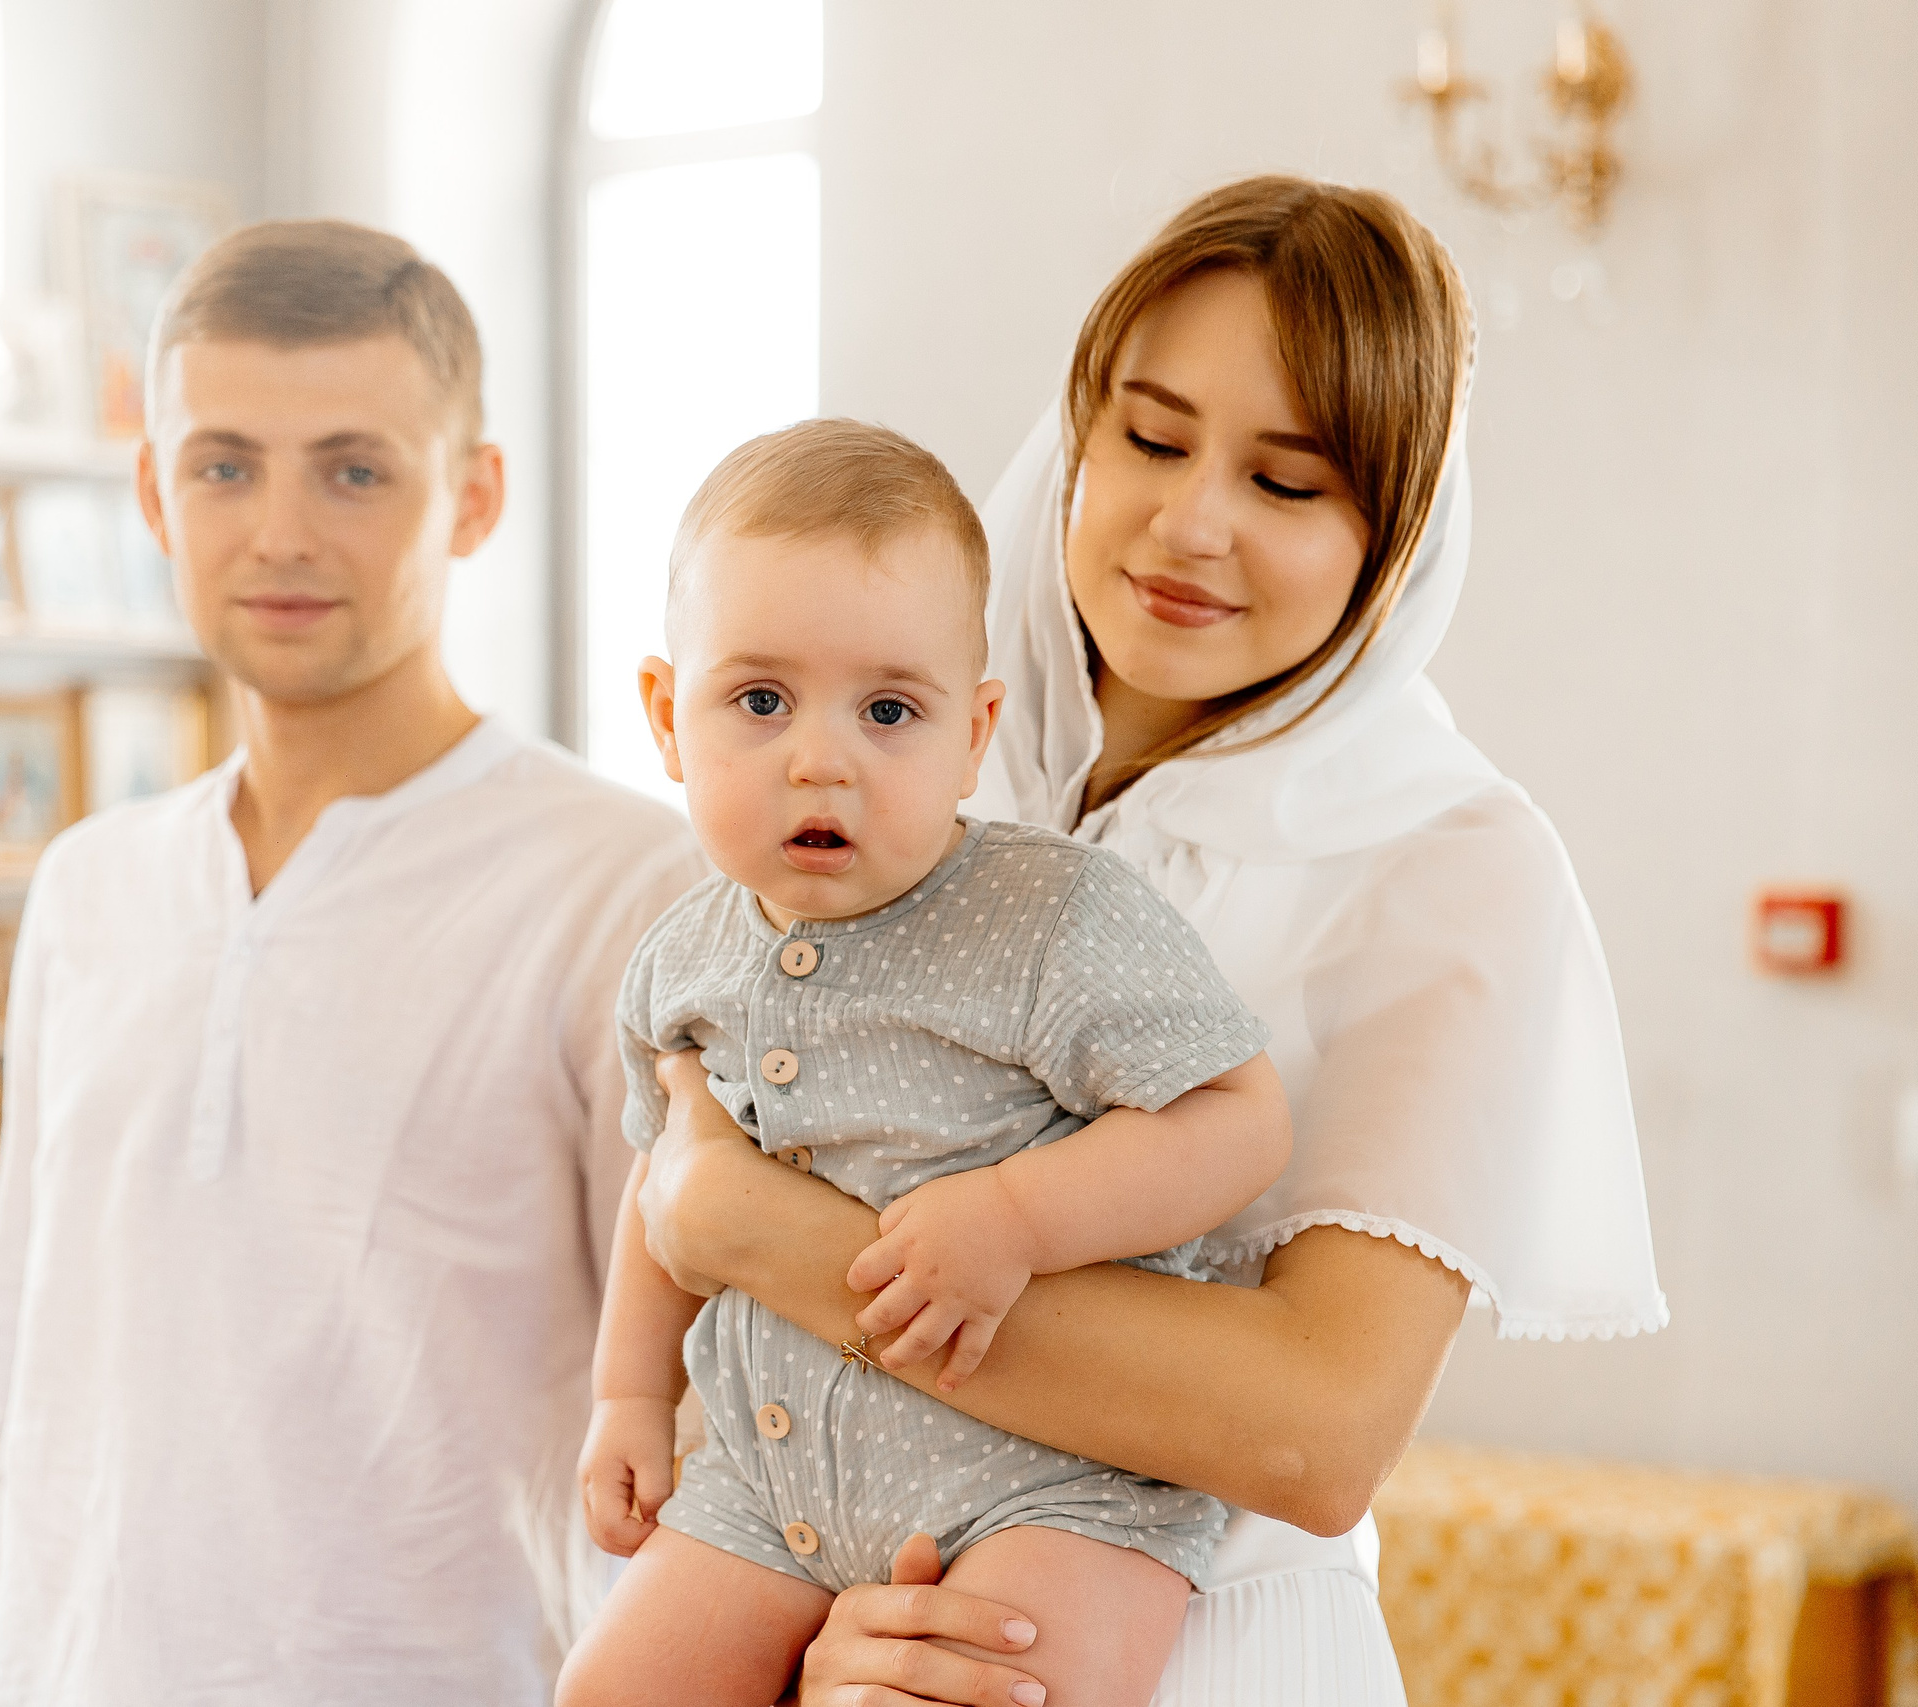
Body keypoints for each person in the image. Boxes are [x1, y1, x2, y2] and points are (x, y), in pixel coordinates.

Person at [630, 176, 1664, 1706]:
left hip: (1221, 1649)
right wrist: (827, 1604)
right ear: (1078, 435)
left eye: (1292, 482)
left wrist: (744, 1222)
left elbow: (1312, 1430)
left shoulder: (1449, 859)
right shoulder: (894, 767)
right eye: (1154, 438)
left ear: (1396, 529)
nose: (1192, 524)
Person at [0, 220, 700, 1706]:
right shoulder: (89, 888)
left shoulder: (627, 888)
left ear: (473, 498)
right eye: (224, 465)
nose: (280, 530)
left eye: (353, 468)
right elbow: (19, 1398)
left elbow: (705, 1431)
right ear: (154, 491)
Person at [559, 420, 1293, 1707]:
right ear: (668, 719)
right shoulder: (678, 960)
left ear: (974, 732)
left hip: (1047, 1484)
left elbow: (1234, 1119)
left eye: (889, 709)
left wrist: (1019, 1214)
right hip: (771, 1478)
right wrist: (627, 1398)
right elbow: (662, 1193)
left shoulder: (1048, 917)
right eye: (759, 700)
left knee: (1008, 1691)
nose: (819, 756)